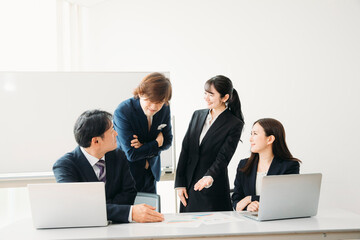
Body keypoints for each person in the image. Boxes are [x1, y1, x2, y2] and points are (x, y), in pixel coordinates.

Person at [53, 110, 164, 223]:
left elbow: (129, 193)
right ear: (96, 141)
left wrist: (100, 208)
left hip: (118, 227)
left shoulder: (119, 155)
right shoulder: (64, 166)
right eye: (112, 130)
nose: (116, 133)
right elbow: (77, 206)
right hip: (85, 229)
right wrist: (128, 213)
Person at [175, 75, 244, 212]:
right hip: (189, 185)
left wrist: (209, 176)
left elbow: (224, 157)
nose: (206, 98)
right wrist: (179, 183)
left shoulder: (234, 123)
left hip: (212, 185)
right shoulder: (197, 115)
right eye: (205, 93)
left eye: (211, 95)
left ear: (225, 98)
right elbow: (186, 149)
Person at [113, 72, 173, 194]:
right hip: (128, 176)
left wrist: (143, 146)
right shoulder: (124, 111)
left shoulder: (165, 108)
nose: (154, 107)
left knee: (152, 211)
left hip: (151, 174)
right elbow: (131, 153)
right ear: (140, 93)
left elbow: (168, 141)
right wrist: (156, 143)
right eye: (150, 100)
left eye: (159, 102)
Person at [232, 118, 301, 212]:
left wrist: (250, 198)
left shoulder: (289, 166)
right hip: (248, 221)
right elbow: (237, 200)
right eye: (251, 134)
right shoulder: (244, 164)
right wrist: (248, 207)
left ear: (270, 139)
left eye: (255, 134)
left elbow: (284, 199)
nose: (250, 139)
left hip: (277, 220)